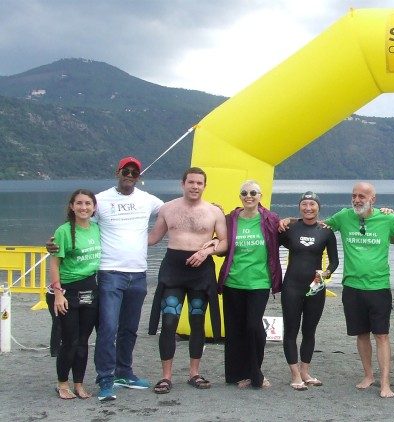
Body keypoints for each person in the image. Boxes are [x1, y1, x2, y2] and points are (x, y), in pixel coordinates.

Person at [47, 156, 164, 401]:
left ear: (139, 176)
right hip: (110, 273)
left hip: (139, 274)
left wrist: (212, 207)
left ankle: (125, 372)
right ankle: (105, 379)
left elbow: (174, 212)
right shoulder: (100, 200)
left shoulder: (148, 200)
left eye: (134, 171)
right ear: (117, 172)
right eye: (125, 170)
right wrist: (53, 244)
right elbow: (78, 223)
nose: (129, 174)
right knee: (108, 328)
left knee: (130, 329)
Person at [323, 182, 394, 398]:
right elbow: (319, 226)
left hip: (379, 287)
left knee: (382, 335)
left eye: (362, 196)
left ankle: (385, 383)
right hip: (352, 287)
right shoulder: (344, 216)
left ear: (373, 199)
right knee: (361, 334)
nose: (357, 199)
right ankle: (368, 375)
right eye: (354, 195)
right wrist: (289, 222)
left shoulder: (388, 219)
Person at [147, 167, 228, 394]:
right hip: (173, 267)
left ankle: (194, 372)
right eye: (191, 182)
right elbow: (153, 238)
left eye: (199, 183)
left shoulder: (214, 212)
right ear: (182, 184)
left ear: (204, 186)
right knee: (170, 320)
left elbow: (224, 243)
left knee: (197, 320)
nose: (194, 186)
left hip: (201, 271)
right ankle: (166, 377)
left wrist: (207, 252)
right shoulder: (168, 208)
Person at [217, 180, 281, 390]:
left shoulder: (270, 219)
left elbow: (289, 232)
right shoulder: (231, 219)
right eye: (244, 193)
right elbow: (217, 234)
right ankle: (238, 374)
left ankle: (256, 373)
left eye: (253, 192)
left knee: (254, 327)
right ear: (240, 197)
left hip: (259, 282)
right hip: (233, 282)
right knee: (235, 330)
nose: (249, 196)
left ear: (260, 196)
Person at [278, 191, 339, 390]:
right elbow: (271, 243)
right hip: (292, 286)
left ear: (318, 207)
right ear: (299, 207)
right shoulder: (290, 228)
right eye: (304, 204)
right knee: (291, 331)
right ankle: (294, 374)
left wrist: (327, 273)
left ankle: (305, 371)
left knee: (309, 331)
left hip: (315, 287)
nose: (308, 208)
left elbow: (335, 260)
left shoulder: (326, 231)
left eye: (312, 204)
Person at [49, 189, 101, 399]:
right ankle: (62, 383)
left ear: (94, 207)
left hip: (91, 290)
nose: (84, 207)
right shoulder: (63, 231)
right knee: (69, 340)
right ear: (72, 206)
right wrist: (58, 293)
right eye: (79, 203)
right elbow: (54, 263)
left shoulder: (97, 228)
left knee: (83, 340)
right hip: (68, 291)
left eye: (88, 203)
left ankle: (79, 383)